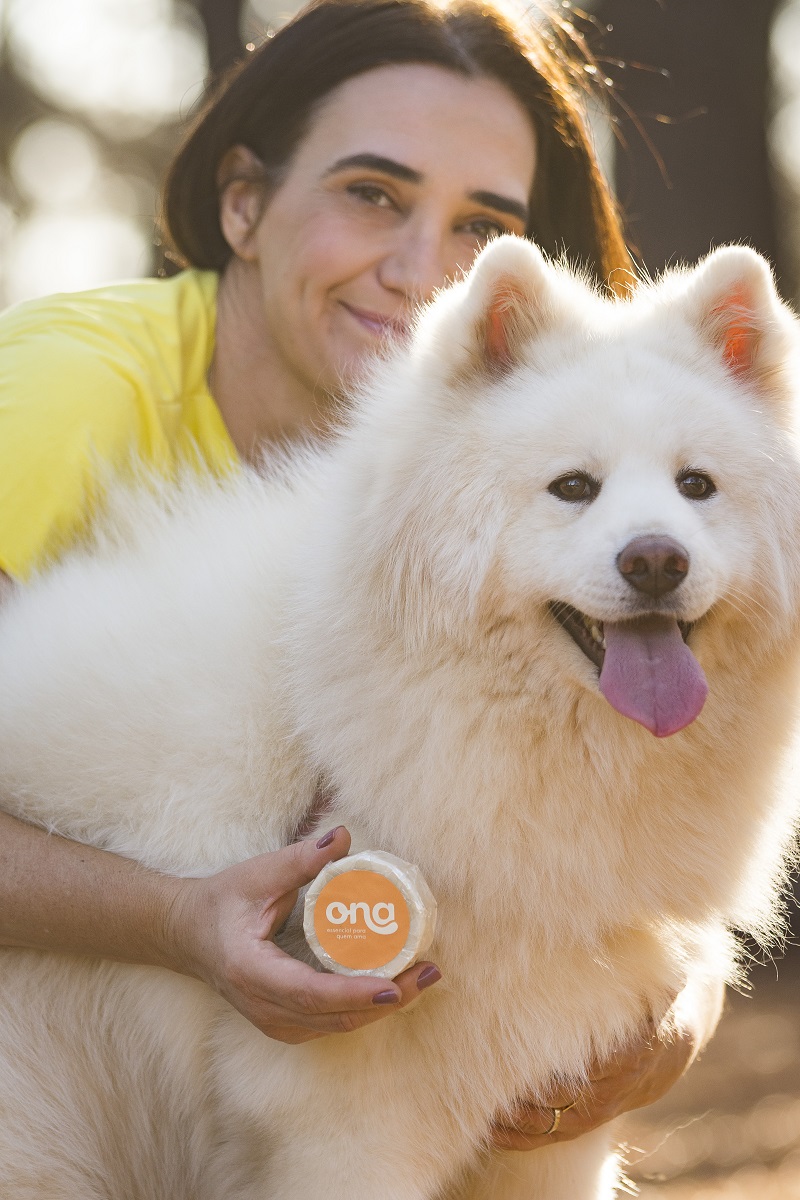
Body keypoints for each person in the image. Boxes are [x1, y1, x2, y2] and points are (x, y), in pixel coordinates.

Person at [0, 0, 720, 1152]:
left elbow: (628, 848)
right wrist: (179, 920)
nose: (421, 273)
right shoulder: (59, 400)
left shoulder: (512, 507)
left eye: (478, 227)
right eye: (371, 194)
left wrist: (671, 1009)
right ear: (243, 204)